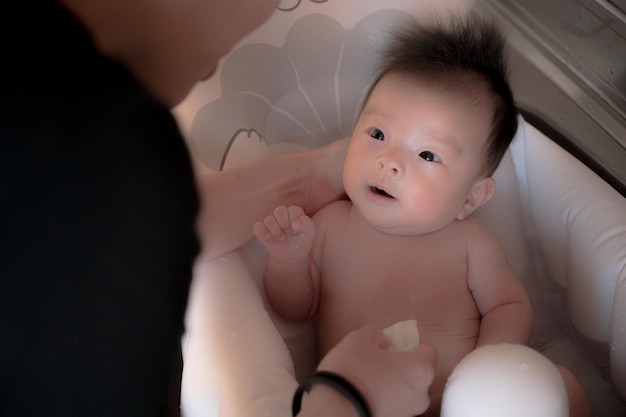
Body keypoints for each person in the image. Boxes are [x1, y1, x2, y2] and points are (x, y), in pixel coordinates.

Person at [1, 1, 438, 417]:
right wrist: (348, 399)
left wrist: (311, 176)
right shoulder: (105, 151)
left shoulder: (61, 139)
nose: (212, 69)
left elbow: (91, 232)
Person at [254, 16, 592, 417]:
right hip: (364, 406)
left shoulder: (470, 244)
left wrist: (487, 372)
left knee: (561, 387)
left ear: (471, 198)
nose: (389, 161)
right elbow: (295, 310)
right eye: (378, 135)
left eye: (427, 155)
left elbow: (508, 307)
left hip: (463, 404)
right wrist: (290, 260)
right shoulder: (329, 226)